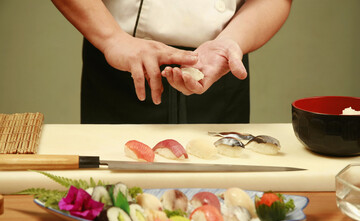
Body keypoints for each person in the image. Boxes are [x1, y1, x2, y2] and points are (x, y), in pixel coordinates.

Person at [51, 0, 292, 124]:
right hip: (123, 66)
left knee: (219, 200)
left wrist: (233, 40)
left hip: (220, 62)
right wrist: (112, 38)